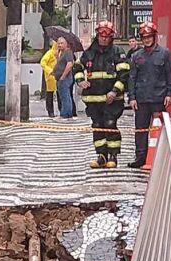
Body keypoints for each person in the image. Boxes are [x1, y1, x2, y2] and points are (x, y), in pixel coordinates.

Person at [73, 21, 130, 169]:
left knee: (110, 125)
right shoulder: (90, 52)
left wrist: (115, 91)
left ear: (111, 37)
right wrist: (80, 81)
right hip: (93, 99)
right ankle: (101, 156)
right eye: (101, 36)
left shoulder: (117, 52)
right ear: (97, 36)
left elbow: (124, 75)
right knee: (98, 127)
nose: (103, 39)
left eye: (107, 36)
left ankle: (113, 156)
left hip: (112, 100)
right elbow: (77, 66)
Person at [127, 22, 171, 169]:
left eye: (149, 37)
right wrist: (132, 97)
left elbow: (170, 75)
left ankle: (159, 158)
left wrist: (170, 93)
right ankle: (140, 157)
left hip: (158, 98)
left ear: (154, 37)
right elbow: (132, 78)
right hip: (141, 98)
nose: (147, 40)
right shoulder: (137, 56)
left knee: (158, 129)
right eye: (144, 37)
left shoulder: (165, 54)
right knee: (141, 129)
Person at [53, 37, 75, 120]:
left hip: (65, 78)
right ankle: (67, 113)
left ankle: (65, 114)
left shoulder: (68, 52)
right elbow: (61, 64)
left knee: (65, 96)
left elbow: (69, 64)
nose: (59, 45)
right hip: (60, 78)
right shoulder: (61, 53)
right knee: (64, 96)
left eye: (62, 43)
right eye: (58, 43)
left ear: (66, 44)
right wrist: (56, 57)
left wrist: (63, 76)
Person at [40, 41, 58, 118]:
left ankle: (60, 110)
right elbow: (43, 63)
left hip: (59, 76)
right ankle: (50, 111)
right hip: (50, 77)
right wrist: (50, 71)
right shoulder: (50, 53)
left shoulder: (62, 53)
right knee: (50, 94)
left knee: (60, 94)